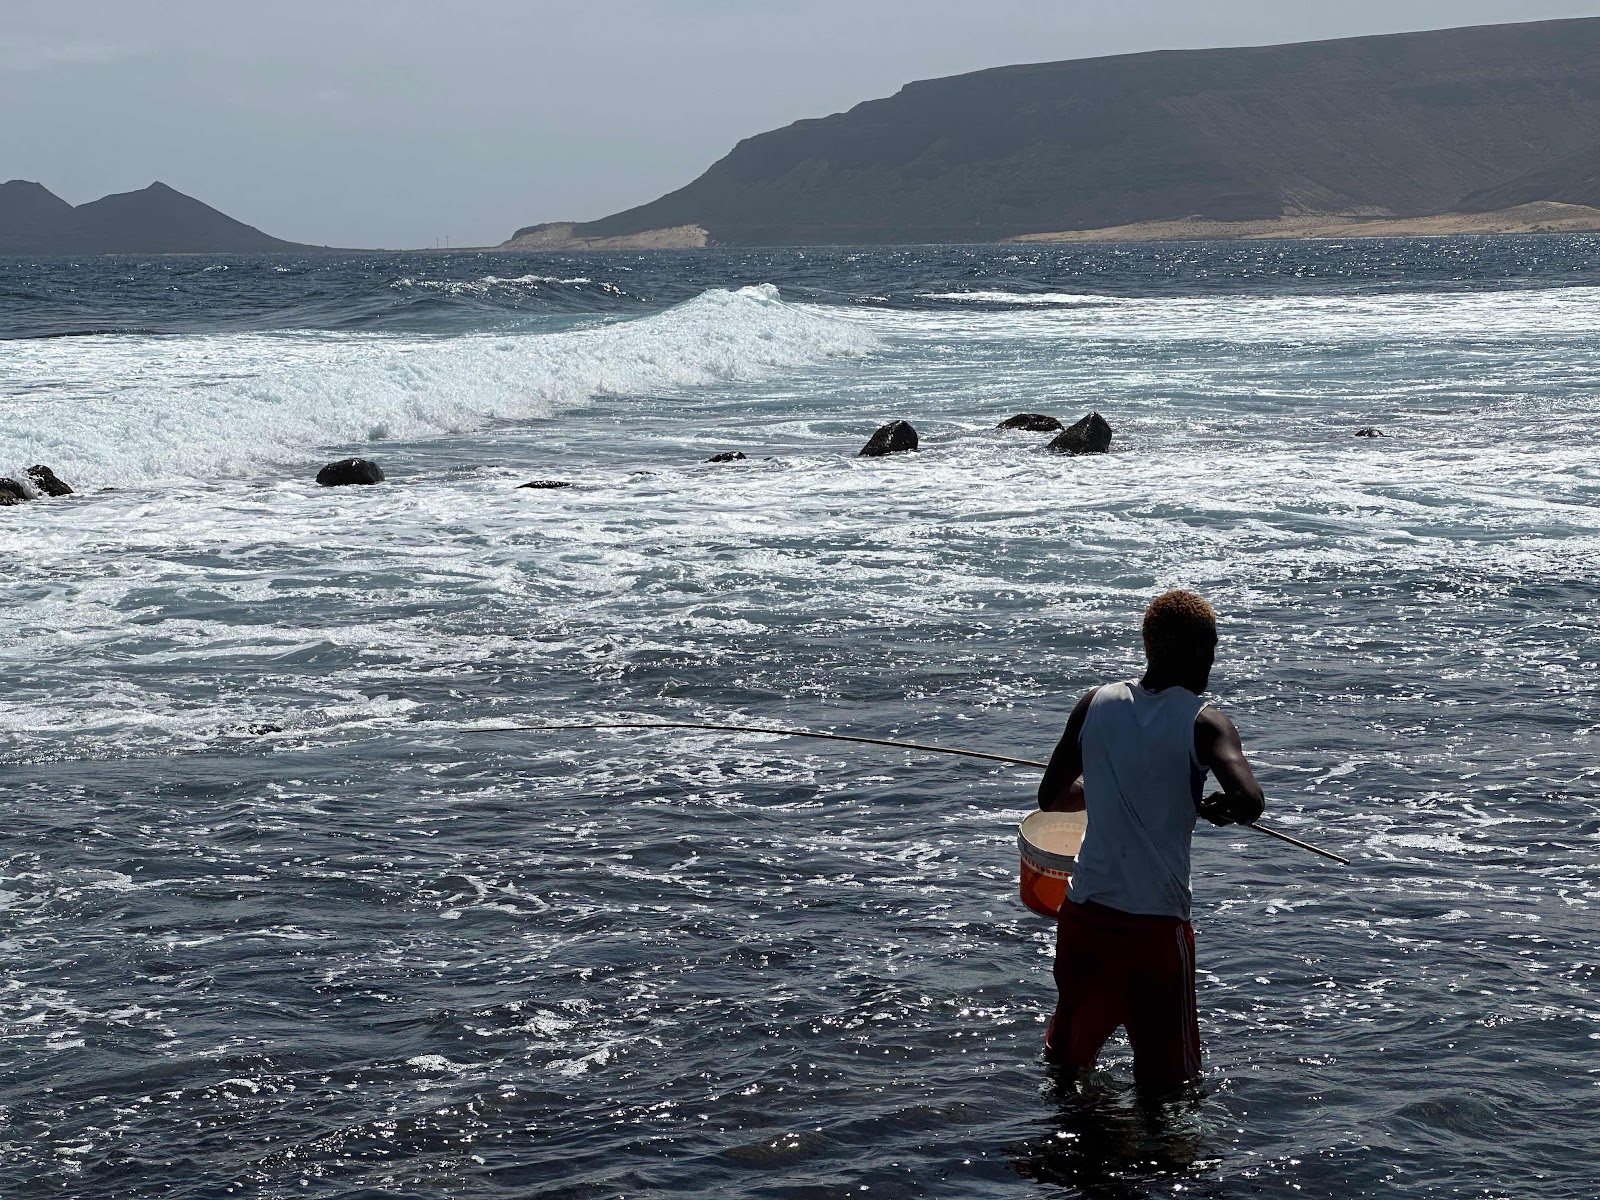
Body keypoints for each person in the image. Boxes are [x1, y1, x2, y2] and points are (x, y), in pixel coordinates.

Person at [1036, 589, 1265, 1098]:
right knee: (1171, 1089)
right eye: (1209, 647)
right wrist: (1219, 810)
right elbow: (1250, 799)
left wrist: (1106, 788)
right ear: (1192, 651)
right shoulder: (1204, 721)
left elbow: (1051, 796)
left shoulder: (1094, 703)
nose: (1212, 659)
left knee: (1067, 1064)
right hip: (1154, 931)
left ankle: (1070, 1158)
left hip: (1085, 918)